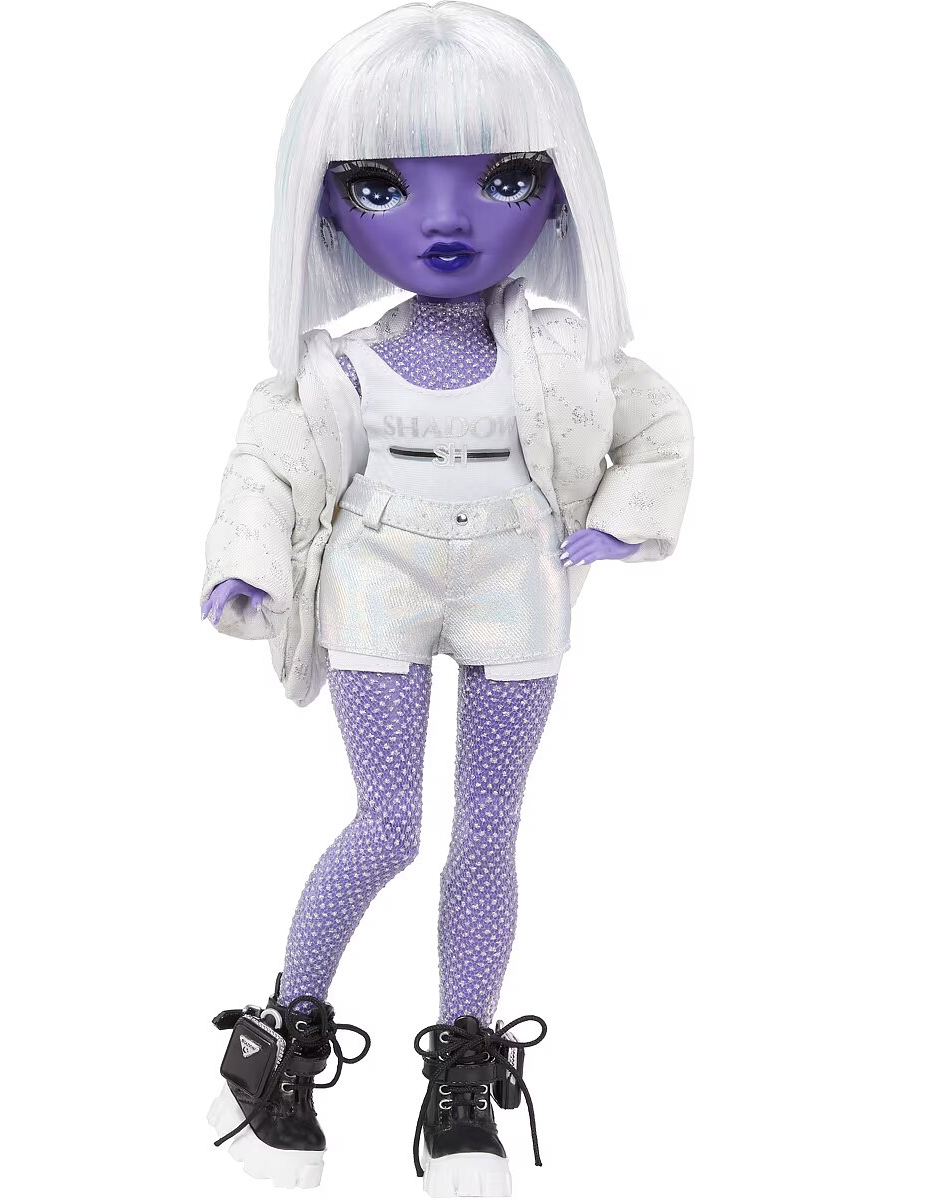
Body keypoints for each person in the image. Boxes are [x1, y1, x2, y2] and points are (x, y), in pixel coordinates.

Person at [200, 4, 694, 1194]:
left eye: (504, 177)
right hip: (377, 577)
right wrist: (245, 561)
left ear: (561, 194)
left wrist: (622, 521)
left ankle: (463, 1063)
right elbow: (268, 468)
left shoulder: (569, 357)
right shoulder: (334, 367)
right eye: (381, 186)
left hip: (518, 581)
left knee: (489, 827)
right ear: (325, 209)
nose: (446, 221)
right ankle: (284, 1032)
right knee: (387, 823)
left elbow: (660, 427)